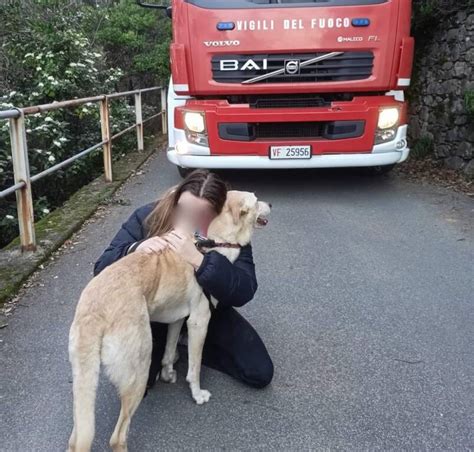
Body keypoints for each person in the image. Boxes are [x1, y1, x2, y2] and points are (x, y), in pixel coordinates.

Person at [93, 169, 274, 391]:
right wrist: (136, 247)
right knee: (141, 381)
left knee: (259, 372)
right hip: (158, 310)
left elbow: (244, 289)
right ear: (176, 198)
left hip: (207, 307)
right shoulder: (148, 215)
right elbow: (101, 268)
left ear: (220, 210)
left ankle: (189, 344)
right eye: (184, 209)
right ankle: (167, 345)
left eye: (202, 213)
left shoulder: (231, 232)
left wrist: (200, 261)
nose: (190, 217)